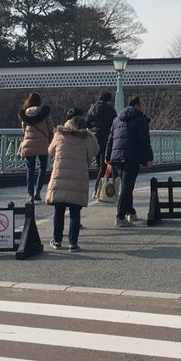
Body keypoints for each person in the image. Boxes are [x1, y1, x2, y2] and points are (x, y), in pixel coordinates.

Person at [45, 111, 99, 252]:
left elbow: (50, 151)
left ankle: (57, 241)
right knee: (75, 213)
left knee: (59, 211)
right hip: (78, 179)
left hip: (60, 177)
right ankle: (73, 243)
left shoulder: (59, 134)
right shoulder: (86, 137)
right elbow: (95, 151)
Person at [108, 95, 153, 226]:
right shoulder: (140, 120)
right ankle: (120, 216)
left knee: (127, 185)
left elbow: (110, 140)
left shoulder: (117, 120)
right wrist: (148, 158)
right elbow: (144, 141)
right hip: (131, 157)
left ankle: (130, 212)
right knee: (127, 187)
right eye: (143, 104)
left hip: (116, 158)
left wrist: (107, 157)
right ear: (137, 106)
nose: (144, 107)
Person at [18, 93, 55, 203]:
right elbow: (50, 127)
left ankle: (30, 194)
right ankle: (38, 192)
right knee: (43, 168)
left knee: (30, 169)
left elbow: (24, 130)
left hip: (29, 143)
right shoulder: (44, 112)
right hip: (42, 143)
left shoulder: (25, 113)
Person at [85, 91, 117, 173]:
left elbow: (87, 123)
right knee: (105, 165)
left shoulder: (91, 109)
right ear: (109, 100)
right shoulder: (110, 110)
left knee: (99, 163)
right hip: (106, 139)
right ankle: (100, 184)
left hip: (94, 139)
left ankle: (101, 182)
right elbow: (115, 124)